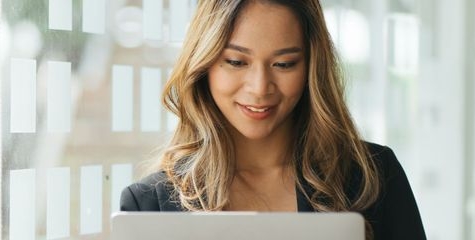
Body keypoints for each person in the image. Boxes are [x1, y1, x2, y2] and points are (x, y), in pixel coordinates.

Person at [119, 0, 426, 239]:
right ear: (204, 64)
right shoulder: (149, 203)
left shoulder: (373, 177)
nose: (259, 87)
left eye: (284, 63)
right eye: (236, 62)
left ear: (310, 67)